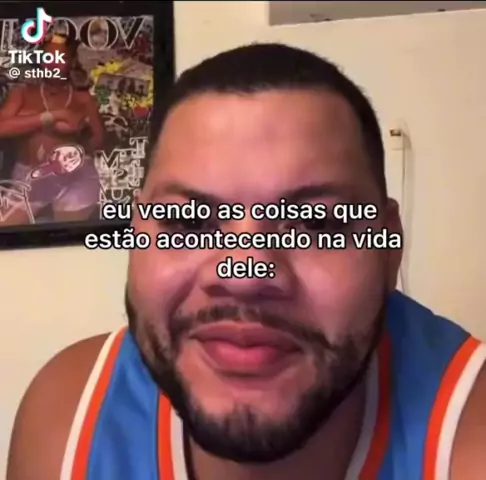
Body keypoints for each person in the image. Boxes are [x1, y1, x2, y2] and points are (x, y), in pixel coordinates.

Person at [6, 43, 486, 480]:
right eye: (189, 221)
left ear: (389, 245)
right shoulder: (67, 425)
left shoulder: (468, 441)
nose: (244, 275)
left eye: (316, 224)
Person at [0, 33, 104, 226]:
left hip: (76, 178)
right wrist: (54, 116)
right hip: (29, 177)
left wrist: (79, 132)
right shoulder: (22, 92)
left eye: (60, 58)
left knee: (69, 238)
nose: (53, 63)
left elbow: (97, 140)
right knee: (6, 230)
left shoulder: (82, 98)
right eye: (48, 57)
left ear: (72, 61)